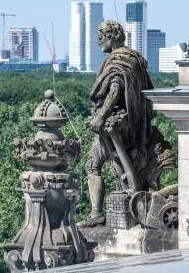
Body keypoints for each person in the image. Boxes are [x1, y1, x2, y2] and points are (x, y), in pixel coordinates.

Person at [77, 20, 155, 227]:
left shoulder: (117, 61)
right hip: (134, 124)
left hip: (117, 126)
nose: (98, 43)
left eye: (100, 38)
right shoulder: (135, 58)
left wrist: (101, 116)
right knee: (119, 169)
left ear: (110, 37)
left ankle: (97, 213)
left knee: (93, 165)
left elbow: (115, 90)